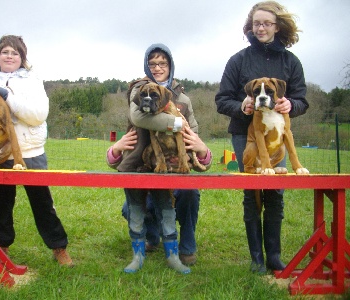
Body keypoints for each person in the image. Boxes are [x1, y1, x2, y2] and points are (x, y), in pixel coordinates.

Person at [215, 1, 309, 274]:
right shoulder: (239, 60)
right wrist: (240, 106)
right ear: (250, 26)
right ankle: (256, 259)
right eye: (256, 23)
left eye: (267, 23)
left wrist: (292, 105)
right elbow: (222, 100)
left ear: (277, 26)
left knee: (275, 193)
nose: (261, 28)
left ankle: (274, 257)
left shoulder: (291, 62)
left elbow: (302, 100)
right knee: (252, 191)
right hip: (245, 135)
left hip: (278, 135)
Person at [0, 35, 73, 266]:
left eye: (15, 53)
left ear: (22, 58)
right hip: (0, 154)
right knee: (2, 204)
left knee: (42, 202)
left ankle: (58, 247)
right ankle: (1, 246)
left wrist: (8, 98)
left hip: (30, 152)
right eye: (5, 52)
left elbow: (38, 115)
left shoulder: (33, 80)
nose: (10, 56)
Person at [107, 43, 212, 274]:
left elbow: (193, 133)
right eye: (152, 63)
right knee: (133, 208)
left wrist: (203, 152)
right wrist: (115, 150)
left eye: (162, 63)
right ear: (146, 65)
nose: (157, 67)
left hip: (174, 167)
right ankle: (144, 248)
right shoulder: (138, 90)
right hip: (140, 163)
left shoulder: (183, 98)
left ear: (170, 65)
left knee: (179, 200)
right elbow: (139, 119)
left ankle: (179, 250)